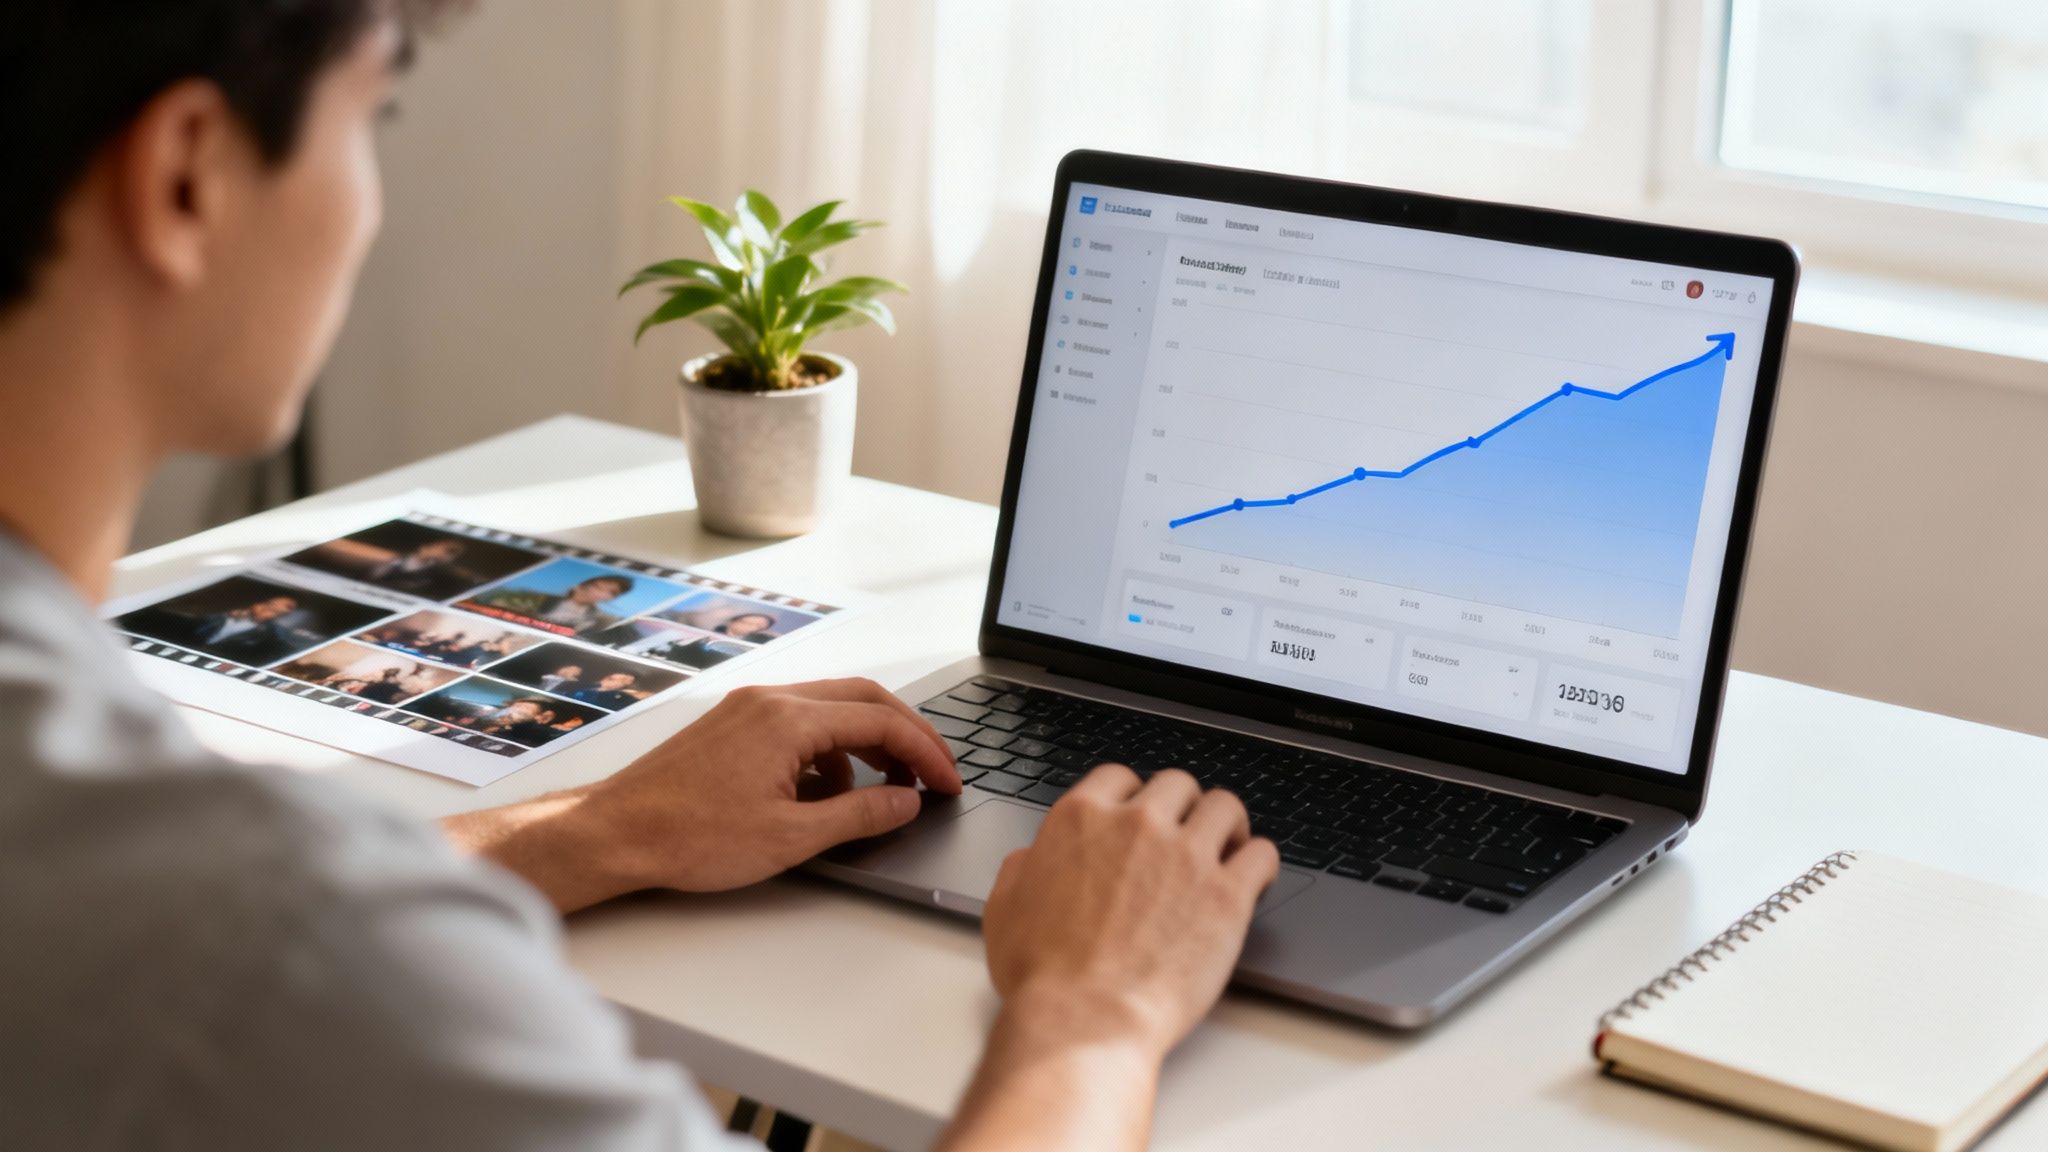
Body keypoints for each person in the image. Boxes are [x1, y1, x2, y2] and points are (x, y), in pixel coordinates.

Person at [0, 4, 1279, 1151]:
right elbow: (262, 938)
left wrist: (597, 827)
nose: (373, 200)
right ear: (184, 177)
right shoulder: (279, 943)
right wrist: (1095, 1011)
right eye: (371, 115)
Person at [469, 572, 633, 636]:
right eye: (601, 588)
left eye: (612, 593)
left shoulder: (600, 620)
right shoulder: (530, 597)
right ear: (581, 584)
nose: (605, 594)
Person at [572, 670, 645, 711]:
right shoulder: (578, 685)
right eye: (611, 678)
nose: (617, 680)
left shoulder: (619, 700)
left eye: (623, 680)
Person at [712, 611, 779, 642]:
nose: (751, 627)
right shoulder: (714, 631)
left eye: (758, 626)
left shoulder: (752, 642)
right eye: (749, 623)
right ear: (733, 621)